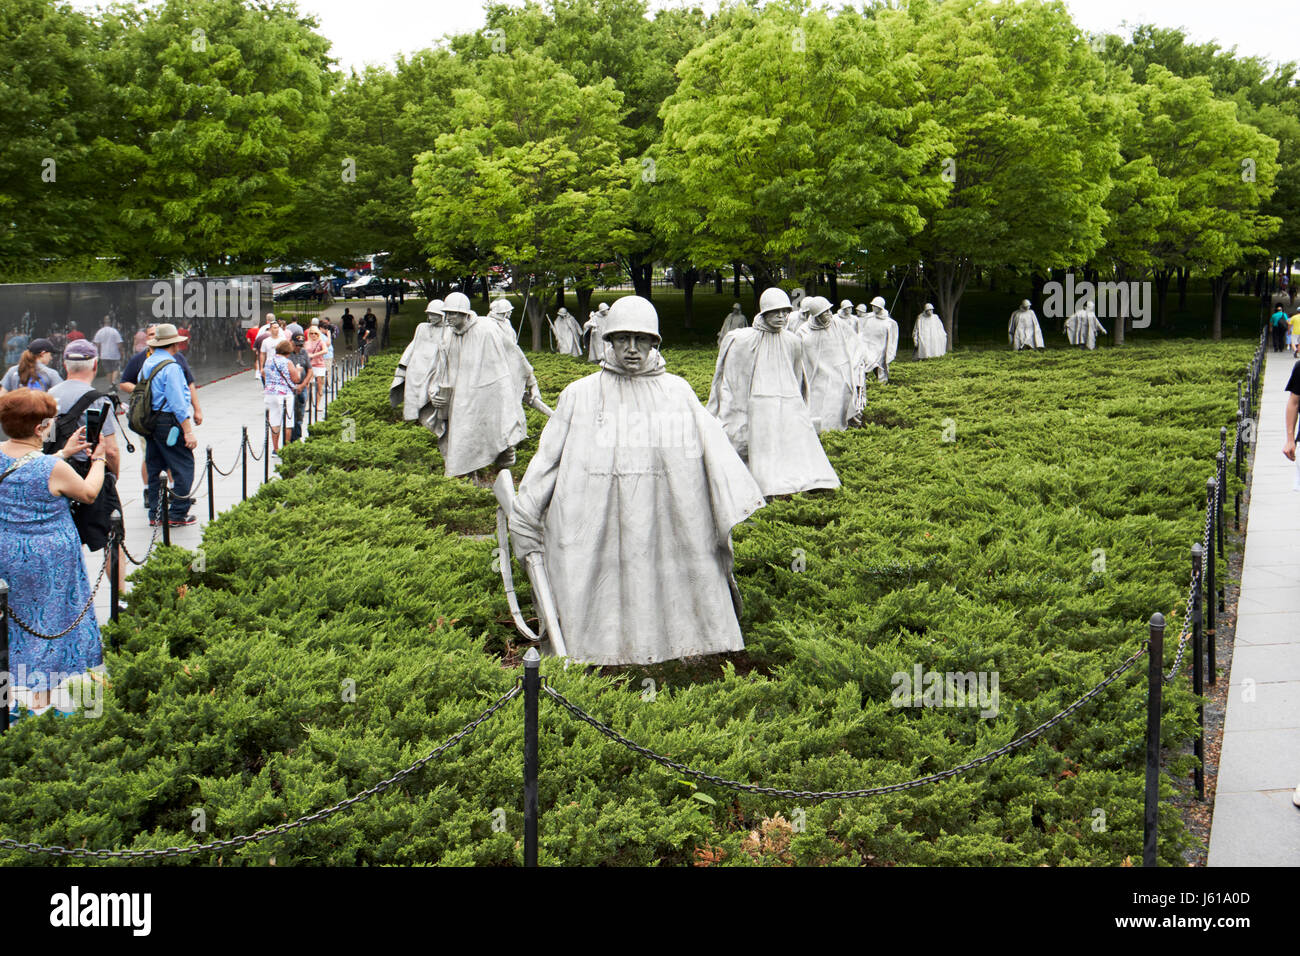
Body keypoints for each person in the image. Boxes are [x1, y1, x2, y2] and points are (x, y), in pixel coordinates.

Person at [509, 295, 767, 665]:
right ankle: (599, 652)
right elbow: (547, 462)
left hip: (669, 515)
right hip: (598, 518)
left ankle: (685, 650)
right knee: (602, 585)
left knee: (674, 577)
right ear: (608, 341)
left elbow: (716, 455)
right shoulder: (579, 395)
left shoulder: (676, 392)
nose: (632, 349)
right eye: (622, 339)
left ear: (654, 342)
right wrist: (526, 511)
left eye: (642, 339)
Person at [0, 389, 108, 715]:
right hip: (50, 558)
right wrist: (99, 459)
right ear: (38, 429)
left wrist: (61, 452)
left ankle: (10, 699)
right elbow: (88, 492)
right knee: (49, 623)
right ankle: (40, 702)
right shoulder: (51, 467)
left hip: (7, 552)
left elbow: (24, 468)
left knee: (15, 621)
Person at [707, 286, 840, 497]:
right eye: (775, 312)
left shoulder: (793, 341)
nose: (781, 317)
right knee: (754, 452)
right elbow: (733, 382)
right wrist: (733, 413)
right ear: (764, 313)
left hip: (787, 402)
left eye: (785, 312)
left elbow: (798, 378)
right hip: (757, 403)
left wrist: (797, 406)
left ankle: (797, 483)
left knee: (793, 447)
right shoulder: (743, 340)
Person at [427, 291, 544, 475]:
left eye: (453, 313)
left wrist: (531, 381)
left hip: (490, 390)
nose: (448, 318)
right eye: (447, 313)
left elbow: (513, 353)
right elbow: (441, 366)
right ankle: (465, 477)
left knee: (498, 430)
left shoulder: (486, 328)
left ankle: (504, 460)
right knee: (461, 437)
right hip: (460, 397)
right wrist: (434, 391)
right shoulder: (448, 334)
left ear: (465, 314)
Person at [48, 340, 125, 584]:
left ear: (64, 365)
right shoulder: (95, 400)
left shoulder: (48, 397)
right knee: (112, 537)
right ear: (95, 365)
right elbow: (108, 449)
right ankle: (119, 599)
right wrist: (111, 474)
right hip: (91, 474)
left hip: (57, 475)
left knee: (68, 540)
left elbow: (46, 440)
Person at [139, 324, 199, 527]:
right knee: (184, 466)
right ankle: (177, 513)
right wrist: (188, 430)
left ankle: (155, 514)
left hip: (151, 421)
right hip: (169, 421)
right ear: (174, 344)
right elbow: (177, 402)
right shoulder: (171, 367)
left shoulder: (148, 363)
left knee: (154, 466)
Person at [796, 295, 866, 432]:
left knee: (840, 405)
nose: (829, 314)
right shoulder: (803, 331)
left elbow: (854, 344)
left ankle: (840, 432)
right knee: (820, 408)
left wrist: (854, 366)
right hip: (817, 379)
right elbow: (799, 357)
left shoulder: (838, 324)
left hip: (839, 376)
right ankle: (824, 435)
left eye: (829, 310)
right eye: (824, 312)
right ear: (816, 315)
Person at [390, 300, 447, 422]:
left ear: (442, 315)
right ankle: (411, 420)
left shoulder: (447, 331)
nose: (431, 317)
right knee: (411, 397)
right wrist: (403, 366)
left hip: (431, 369)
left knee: (426, 397)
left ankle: (425, 421)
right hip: (415, 368)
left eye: (434, 314)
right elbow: (412, 346)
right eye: (429, 314)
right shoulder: (422, 327)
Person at [262, 338, 302, 455]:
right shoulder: (287, 362)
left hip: (270, 394)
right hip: (284, 394)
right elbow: (296, 379)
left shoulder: (269, 360)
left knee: (274, 421)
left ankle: (275, 449)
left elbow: (264, 373)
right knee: (287, 422)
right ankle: (285, 448)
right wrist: (298, 370)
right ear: (288, 352)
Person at [859, 297, 899, 381]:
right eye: (872, 305)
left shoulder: (889, 322)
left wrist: (890, 352)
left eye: (875, 306)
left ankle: (881, 385)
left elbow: (892, 338)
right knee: (866, 363)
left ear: (880, 307)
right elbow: (863, 332)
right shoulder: (869, 318)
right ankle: (862, 383)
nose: (873, 307)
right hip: (869, 347)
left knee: (879, 367)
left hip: (881, 348)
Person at [286, 333, 314, 442]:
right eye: (296, 345)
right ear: (291, 342)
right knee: (290, 413)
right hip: (289, 388)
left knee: (300, 413)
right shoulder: (286, 353)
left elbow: (310, 370)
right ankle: (289, 439)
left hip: (302, 387)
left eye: (300, 345)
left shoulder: (304, 352)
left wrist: (303, 385)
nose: (298, 347)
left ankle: (297, 437)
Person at [93, 316, 124, 385]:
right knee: (115, 369)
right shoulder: (114, 331)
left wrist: (98, 354)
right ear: (111, 322)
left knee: (108, 371)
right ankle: (113, 382)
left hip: (104, 355)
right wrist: (122, 353)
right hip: (114, 354)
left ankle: (110, 385)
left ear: (103, 322)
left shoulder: (100, 332)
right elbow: (119, 344)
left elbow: (97, 345)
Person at [304, 325, 329, 412]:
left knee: (319, 385)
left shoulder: (321, 342)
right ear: (309, 334)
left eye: (315, 333)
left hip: (319, 365)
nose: (313, 335)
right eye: (311, 333)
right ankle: (307, 404)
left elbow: (325, 350)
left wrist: (314, 355)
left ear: (318, 334)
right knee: (307, 386)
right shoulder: (306, 343)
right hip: (310, 366)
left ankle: (318, 405)